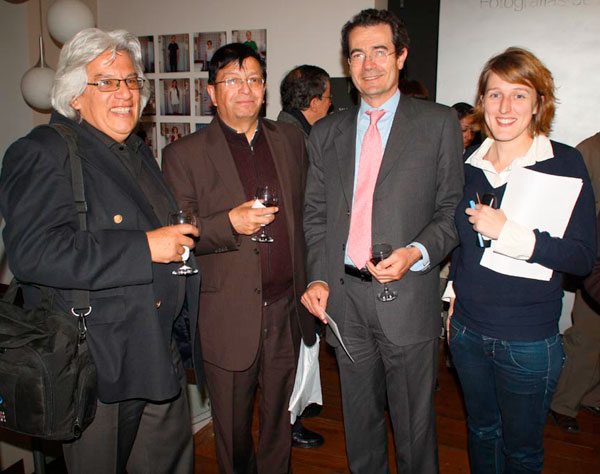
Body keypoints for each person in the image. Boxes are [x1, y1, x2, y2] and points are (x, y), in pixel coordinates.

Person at [0, 28, 201, 474]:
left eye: (130, 81)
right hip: (98, 363)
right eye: (106, 82)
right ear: (75, 95)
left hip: (156, 349)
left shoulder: (135, 150)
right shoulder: (43, 151)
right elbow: (34, 252)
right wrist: (144, 247)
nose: (125, 93)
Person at [301, 9, 463, 474]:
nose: (368, 64)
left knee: (415, 429)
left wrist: (416, 252)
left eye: (379, 51)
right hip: (345, 301)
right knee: (360, 426)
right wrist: (317, 276)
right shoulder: (326, 132)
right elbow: (315, 216)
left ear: (401, 56)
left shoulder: (438, 123)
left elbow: (451, 211)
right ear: (347, 63)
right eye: (357, 54)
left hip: (408, 297)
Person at [162, 43, 316, 474]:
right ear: (212, 93)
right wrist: (229, 222)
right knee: (231, 429)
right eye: (232, 80)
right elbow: (179, 234)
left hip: (286, 308)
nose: (245, 89)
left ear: (264, 89)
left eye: (253, 80)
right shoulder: (184, 154)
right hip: (226, 313)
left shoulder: (290, 140)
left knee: (280, 421)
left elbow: (309, 214)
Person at [444, 47, 596, 473]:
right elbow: (461, 245)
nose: (505, 107)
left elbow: (582, 258)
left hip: (527, 341)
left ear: (538, 104)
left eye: (519, 94)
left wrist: (511, 233)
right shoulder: (467, 164)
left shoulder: (563, 163)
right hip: (468, 332)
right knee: (481, 432)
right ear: (482, 102)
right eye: (495, 94)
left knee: (522, 452)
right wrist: (453, 295)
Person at [277, 64, 331, 450]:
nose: (330, 105)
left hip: (298, 259)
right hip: (296, 262)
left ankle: (295, 414)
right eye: (327, 98)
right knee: (296, 346)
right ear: (313, 102)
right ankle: (289, 423)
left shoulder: (291, 133)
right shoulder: (294, 141)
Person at [550, 129, 600, 432]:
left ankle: (591, 397)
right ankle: (562, 404)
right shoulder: (590, 151)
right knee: (587, 337)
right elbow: (572, 211)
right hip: (596, 262)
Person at [278, 64, 331, 138]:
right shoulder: (297, 140)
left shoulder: (283, 132)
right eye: (329, 97)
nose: (330, 103)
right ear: (314, 103)